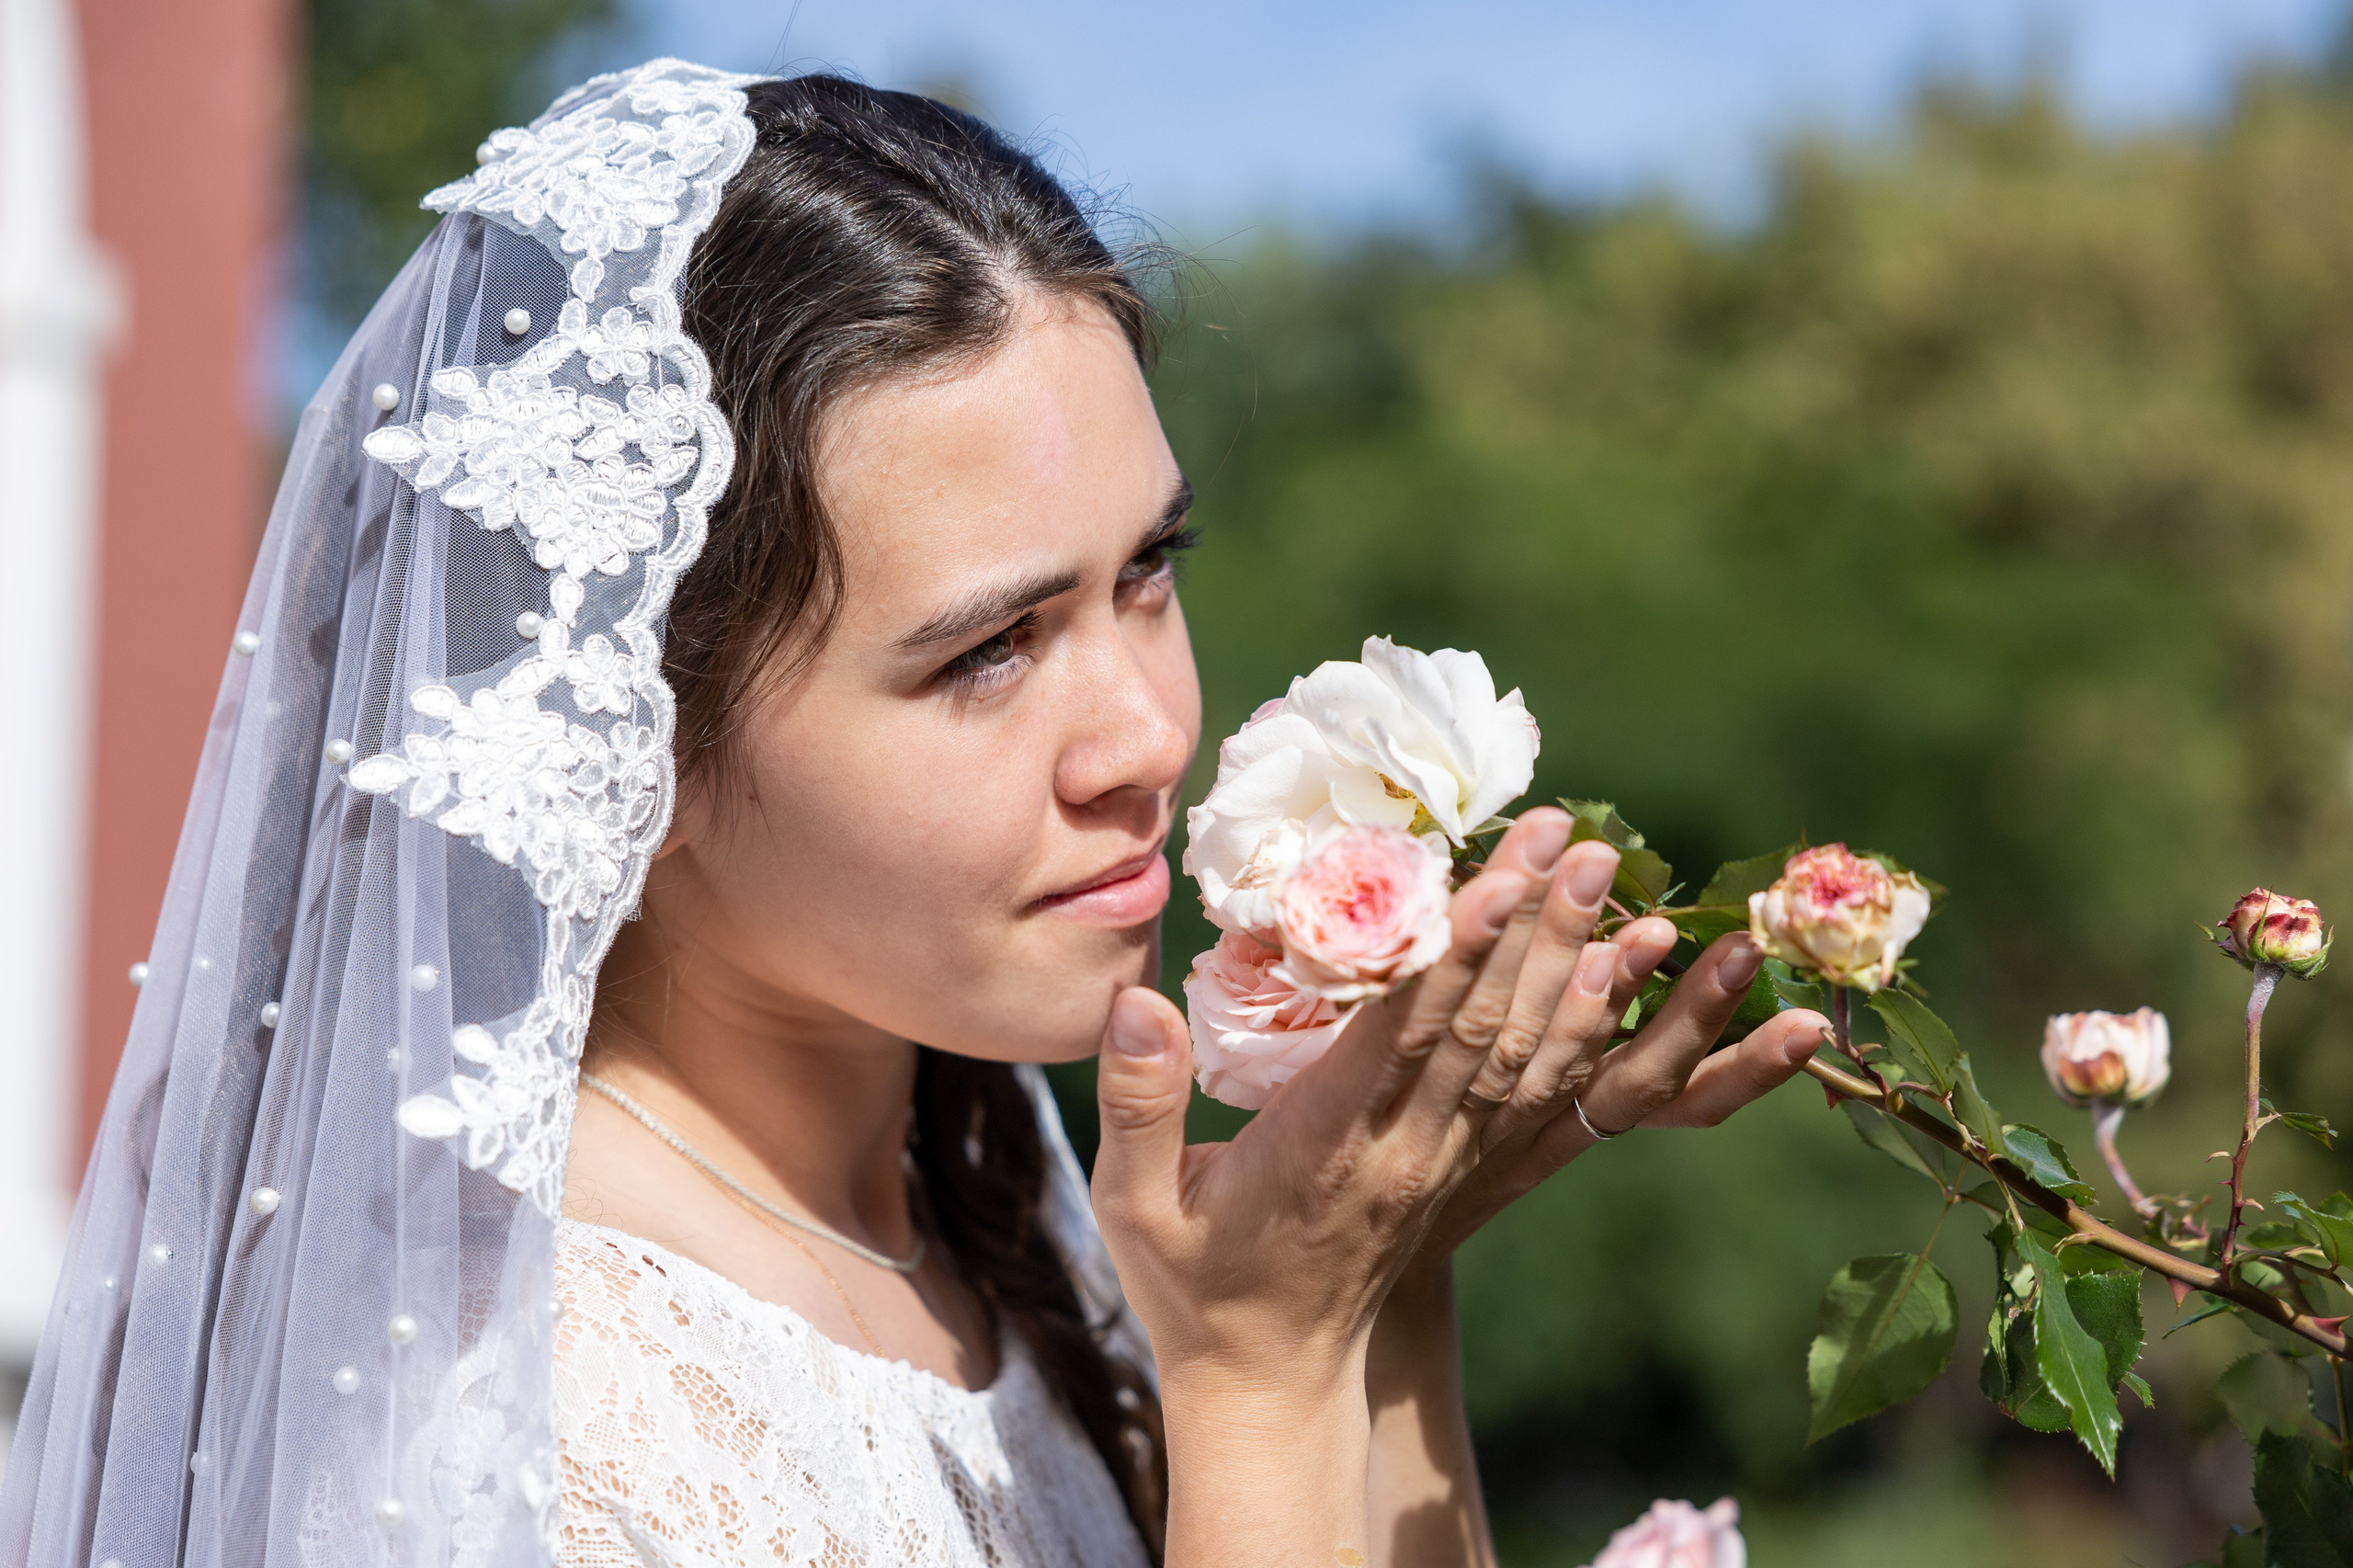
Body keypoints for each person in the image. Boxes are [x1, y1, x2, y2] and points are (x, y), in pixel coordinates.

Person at [0, 61, 1829, 1568]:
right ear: (627, 742)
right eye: (985, 652)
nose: (1144, 734)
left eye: (1146, 571)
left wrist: (1380, 1275)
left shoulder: (989, 1233)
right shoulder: (511, 1431)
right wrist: (1266, 1377)